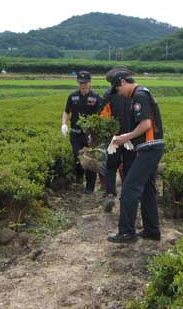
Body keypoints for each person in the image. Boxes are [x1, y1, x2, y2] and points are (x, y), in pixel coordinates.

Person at [106, 70, 164, 243]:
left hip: (149, 147)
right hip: (151, 147)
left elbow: (146, 124)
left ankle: (126, 232)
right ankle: (152, 231)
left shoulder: (139, 95)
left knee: (130, 188)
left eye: (118, 89)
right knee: (147, 189)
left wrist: (126, 137)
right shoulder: (141, 94)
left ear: (123, 82)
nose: (119, 93)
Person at [100, 68, 137, 212]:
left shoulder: (109, 96)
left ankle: (111, 194)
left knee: (112, 166)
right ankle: (121, 196)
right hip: (126, 136)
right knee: (124, 166)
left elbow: (102, 116)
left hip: (118, 137)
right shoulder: (131, 93)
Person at [61, 71, 102, 194]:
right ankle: (79, 176)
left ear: (90, 83)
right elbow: (67, 111)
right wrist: (64, 123)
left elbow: (100, 116)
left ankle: (90, 187)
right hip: (76, 133)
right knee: (77, 156)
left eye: (85, 83)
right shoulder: (72, 96)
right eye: (80, 83)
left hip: (90, 135)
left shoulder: (95, 97)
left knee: (90, 160)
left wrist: (94, 131)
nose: (83, 85)